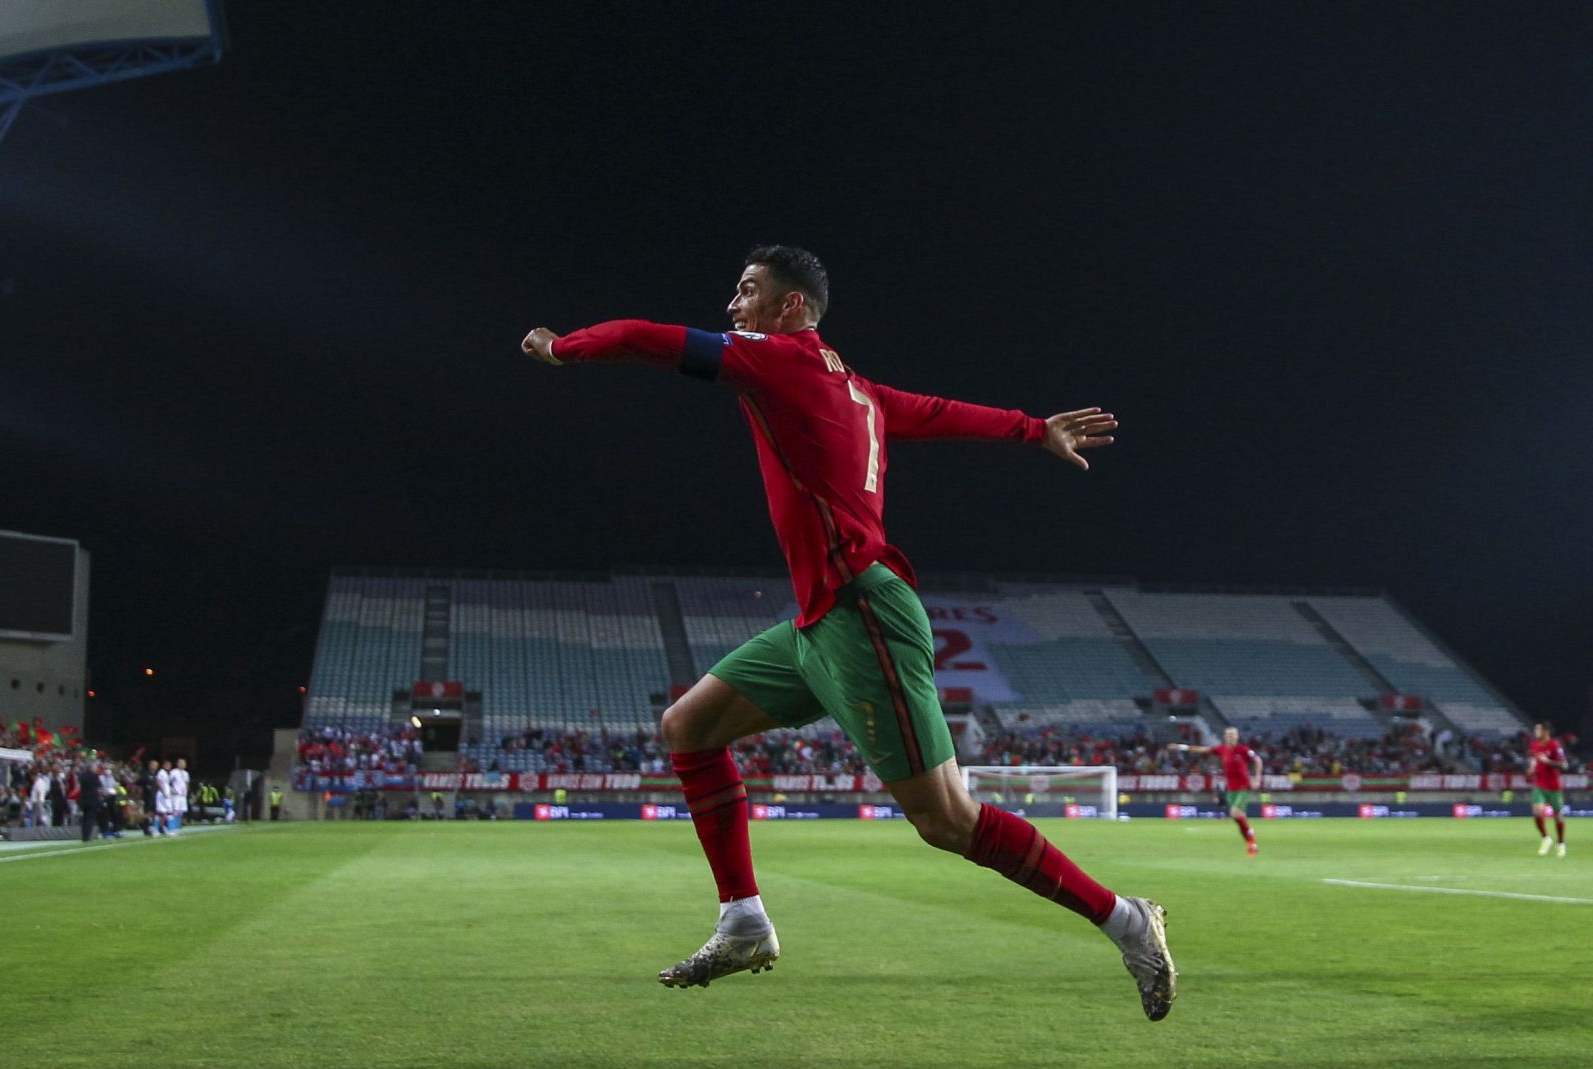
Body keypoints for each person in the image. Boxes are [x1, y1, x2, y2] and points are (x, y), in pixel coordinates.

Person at [520, 244, 1175, 1019]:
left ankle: (1125, 919)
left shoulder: (775, 361)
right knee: (689, 727)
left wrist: (562, 347)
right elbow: (934, 412)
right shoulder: (855, 389)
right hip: (819, 619)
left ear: (789, 308)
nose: (733, 306)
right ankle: (743, 921)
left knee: (946, 821)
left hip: (863, 613)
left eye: (748, 291)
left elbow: (642, 336)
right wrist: (1032, 429)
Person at [1169, 727, 1263, 855]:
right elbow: (1202, 750)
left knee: (1235, 813)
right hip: (1231, 790)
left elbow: (1258, 761)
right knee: (1239, 819)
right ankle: (1251, 843)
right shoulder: (1221, 749)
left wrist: (1257, 779)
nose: (1229, 737)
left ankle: (1251, 839)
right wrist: (1181, 747)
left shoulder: (1244, 750)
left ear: (1237, 736)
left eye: (1232, 735)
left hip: (1242, 788)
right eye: (1227, 735)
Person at [1529, 721, 1568, 857]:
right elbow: (1534, 759)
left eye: (1538, 730)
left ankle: (1561, 843)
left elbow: (1564, 765)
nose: (1535, 732)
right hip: (1539, 784)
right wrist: (1531, 768)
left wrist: (1548, 761)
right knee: (1537, 812)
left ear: (1546, 731)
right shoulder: (1534, 745)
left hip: (1554, 786)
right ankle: (1546, 839)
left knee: (1558, 816)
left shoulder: (1555, 745)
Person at [76, 756, 104, 842]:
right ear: (92, 767)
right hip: (92, 800)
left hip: (84, 799)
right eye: (95, 768)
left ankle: (84, 835)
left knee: (85, 818)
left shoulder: (82, 776)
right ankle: (87, 836)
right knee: (90, 819)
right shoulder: (94, 776)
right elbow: (99, 789)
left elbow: (79, 786)